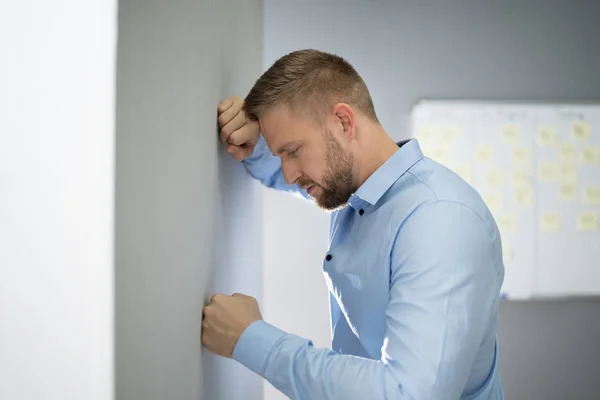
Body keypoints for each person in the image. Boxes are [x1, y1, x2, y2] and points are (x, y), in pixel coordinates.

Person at [202, 49, 505, 399]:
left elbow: (407, 393)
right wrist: (255, 142)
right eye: (280, 154)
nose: (287, 171)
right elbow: (290, 173)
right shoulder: (359, 192)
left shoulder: (440, 221)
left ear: (344, 123)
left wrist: (251, 339)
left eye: (293, 150)